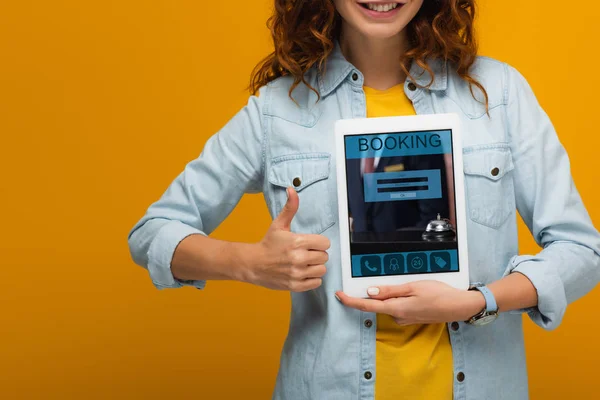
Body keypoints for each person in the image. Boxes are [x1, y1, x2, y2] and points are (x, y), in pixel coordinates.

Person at [127, 0, 600, 399]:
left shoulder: (499, 94)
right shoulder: (277, 110)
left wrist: (478, 301)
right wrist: (249, 262)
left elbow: (581, 250)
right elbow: (152, 234)